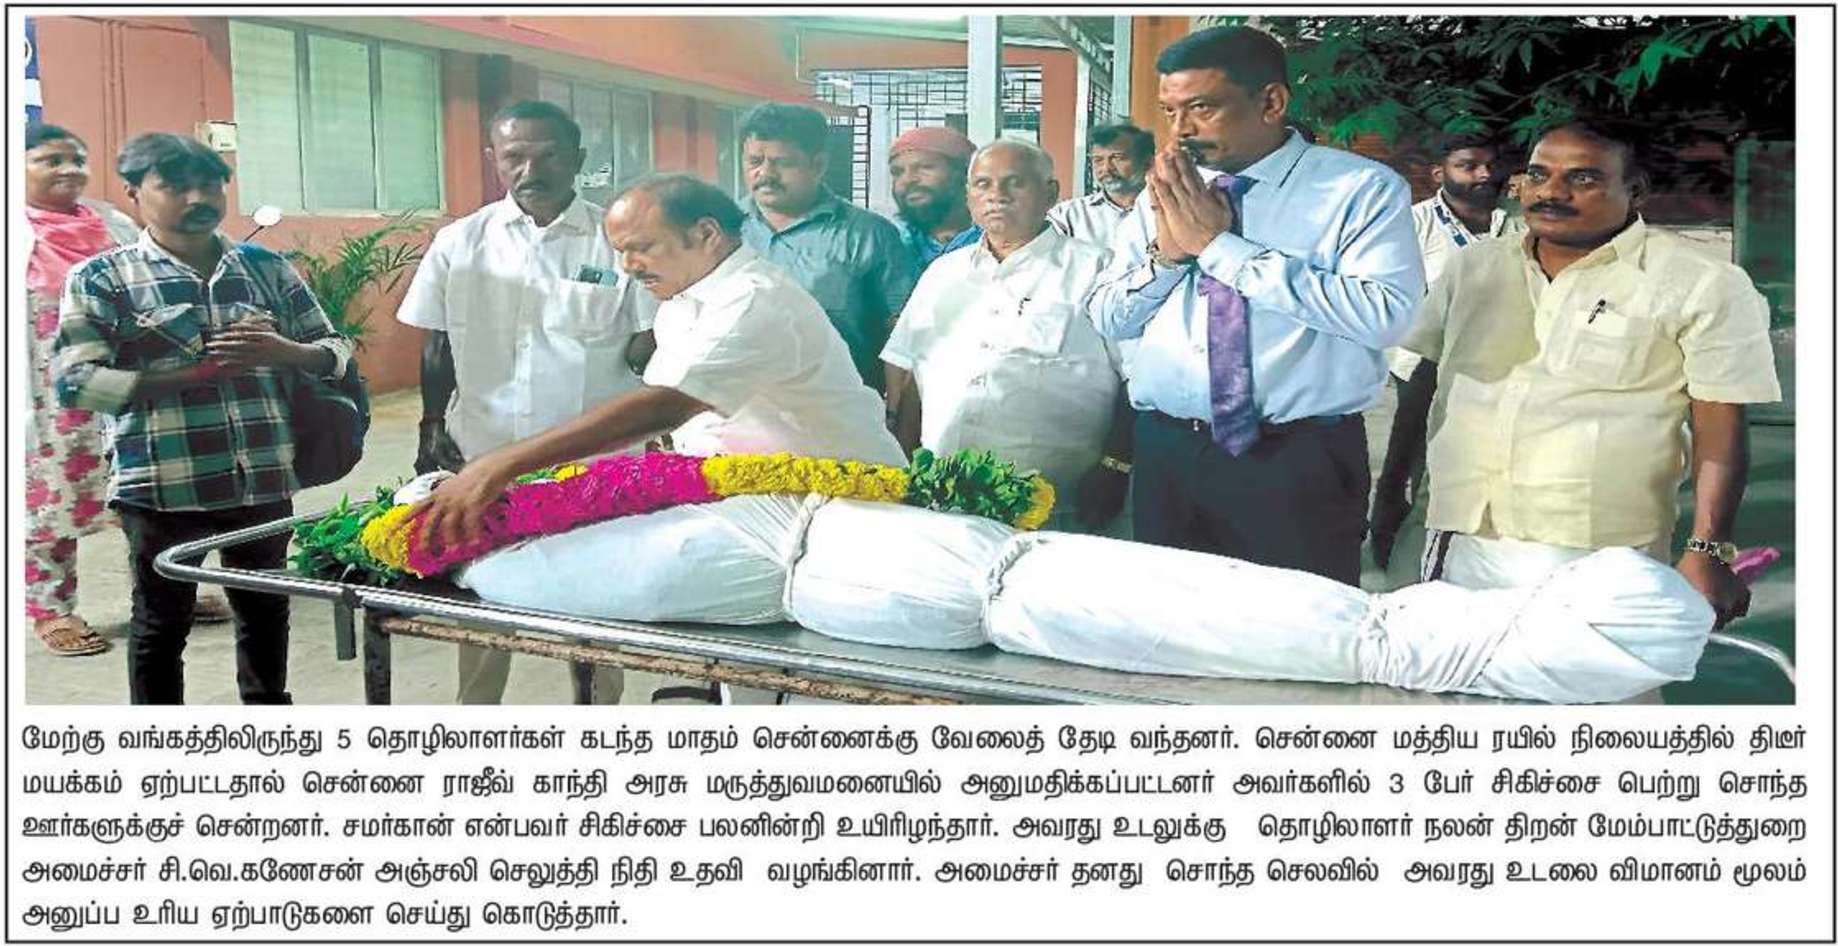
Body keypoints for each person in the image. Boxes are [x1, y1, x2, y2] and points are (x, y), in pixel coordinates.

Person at [1392, 119, 1779, 628]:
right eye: (1538, 174)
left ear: (1635, 191)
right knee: (1447, 673)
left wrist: (1708, 549)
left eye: (1582, 178)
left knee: (1586, 679)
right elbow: (1425, 382)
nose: (1550, 192)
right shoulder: (1474, 268)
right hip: (1456, 534)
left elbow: (1720, 425)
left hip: (1599, 551)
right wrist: (1389, 498)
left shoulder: (1700, 283)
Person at [1085, 25, 1424, 585]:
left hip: (1298, 459)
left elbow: (1385, 316)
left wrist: (1220, 249)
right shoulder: (1165, 192)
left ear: (1271, 102)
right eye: (1170, 111)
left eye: (1202, 107)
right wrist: (1168, 258)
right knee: (1166, 617)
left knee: (1295, 626)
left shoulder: (1360, 190)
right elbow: (1108, 316)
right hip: (1169, 450)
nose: (1181, 130)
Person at [414, 173, 904, 552]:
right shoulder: (679, 302)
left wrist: (500, 465)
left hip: (848, 507)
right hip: (757, 502)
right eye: (620, 252)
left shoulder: (755, 300)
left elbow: (667, 404)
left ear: (706, 233)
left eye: (641, 248)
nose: (627, 267)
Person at [55, 132, 354, 704]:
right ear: (134, 193)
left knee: (265, 613)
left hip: (261, 476)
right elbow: (77, 383)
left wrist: (287, 352)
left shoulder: (267, 269)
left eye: (211, 184)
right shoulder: (103, 278)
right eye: (174, 186)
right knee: (160, 625)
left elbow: (336, 348)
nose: (198, 198)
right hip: (162, 486)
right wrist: (194, 375)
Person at [396, 100, 657, 705]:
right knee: (481, 593)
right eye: (514, 156)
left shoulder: (617, 242)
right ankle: (476, 719)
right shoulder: (460, 241)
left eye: (548, 156)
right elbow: (437, 342)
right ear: (494, 159)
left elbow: (650, 340)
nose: (530, 170)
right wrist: (430, 422)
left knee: (593, 601)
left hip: (592, 464)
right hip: (483, 453)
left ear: (579, 160)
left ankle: (598, 717)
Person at [883, 141, 1131, 533]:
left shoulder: (1099, 270)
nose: (996, 195)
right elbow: (911, 373)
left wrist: (1116, 466)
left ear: (1050, 193)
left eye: (1015, 183)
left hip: (1057, 502)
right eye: (983, 184)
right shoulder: (943, 272)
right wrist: (904, 463)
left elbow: (1136, 380)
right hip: (943, 495)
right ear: (969, 197)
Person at [1369, 132, 1525, 575]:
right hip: (1426, 362)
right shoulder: (1411, 225)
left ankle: (1472, 551)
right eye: (1468, 166)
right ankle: (1391, 545)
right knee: (1412, 458)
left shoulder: (1516, 222)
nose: (1484, 174)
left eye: (1490, 165)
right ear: (1440, 173)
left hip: (1502, 360)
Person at [736, 103, 917, 392]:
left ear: (818, 165)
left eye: (782, 163)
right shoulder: (721, 229)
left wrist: (896, 410)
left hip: (841, 405)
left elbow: (902, 332)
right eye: (754, 161)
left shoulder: (868, 235)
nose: (765, 173)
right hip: (737, 408)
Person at [1046, 122, 1155, 248]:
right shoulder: (1068, 215)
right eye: (1098, 160)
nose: (1106, 168)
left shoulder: (1167, 209)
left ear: (1148, 162)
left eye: (1117, 158)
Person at [888, 126, 981, 269]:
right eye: (897, 172)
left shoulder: (1003, 240)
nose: (908, 179)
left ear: (965, 173)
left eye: (924, 167)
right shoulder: (889, 243)